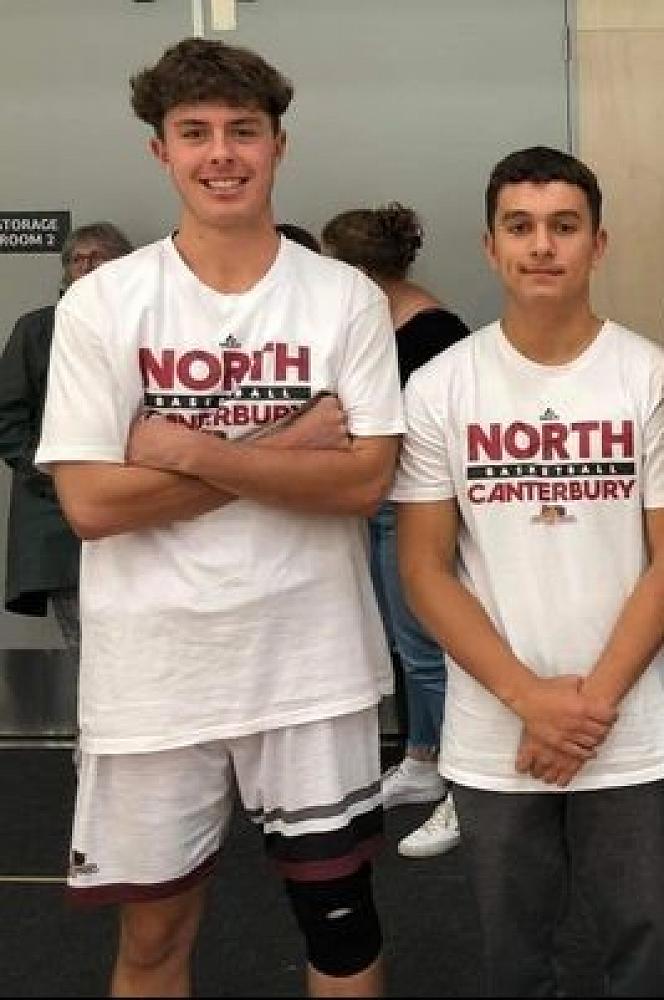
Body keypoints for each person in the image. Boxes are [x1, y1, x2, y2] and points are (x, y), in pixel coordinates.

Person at [35, 37, 404, 999]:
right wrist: (293, 447)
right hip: (154, 677)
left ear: (279, 143)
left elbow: (364, 483)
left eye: (243, 130)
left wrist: (188, 451)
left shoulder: (344, 299)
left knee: (342, 932)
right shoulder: (103, 304)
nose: (221, 153)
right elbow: (91, 504)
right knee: (153, 939)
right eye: (194, 132)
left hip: (311, 664)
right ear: (160, 151)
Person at [391, 145, 664, 996]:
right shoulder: (441, 388)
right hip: (495, 730)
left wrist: (585, 709)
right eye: (520, 226)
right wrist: (530, 700)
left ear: (597, 243)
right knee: (515, 959)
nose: (542, 245)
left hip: (633, 729)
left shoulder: (648, 377)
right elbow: (425, 570)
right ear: (491, 246)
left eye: (563, 226)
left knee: (646, 948)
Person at [321, 203, 469, 858]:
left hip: (418, 508)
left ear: (358, 270)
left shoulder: (435, 332)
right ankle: (421, 758)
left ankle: (465, 783)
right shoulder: (371, 322)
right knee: (408, 648)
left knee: (431, 649)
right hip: (381, 503)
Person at [0, 223, 133, 670]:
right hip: (57, 514)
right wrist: (49, 472)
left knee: (139, 643)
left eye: (101, 257)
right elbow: (7, 417)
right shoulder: (37, 329)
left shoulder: (149, 323)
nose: (89, 267)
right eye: (79, 259)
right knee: (88, 650)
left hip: (139, 507)